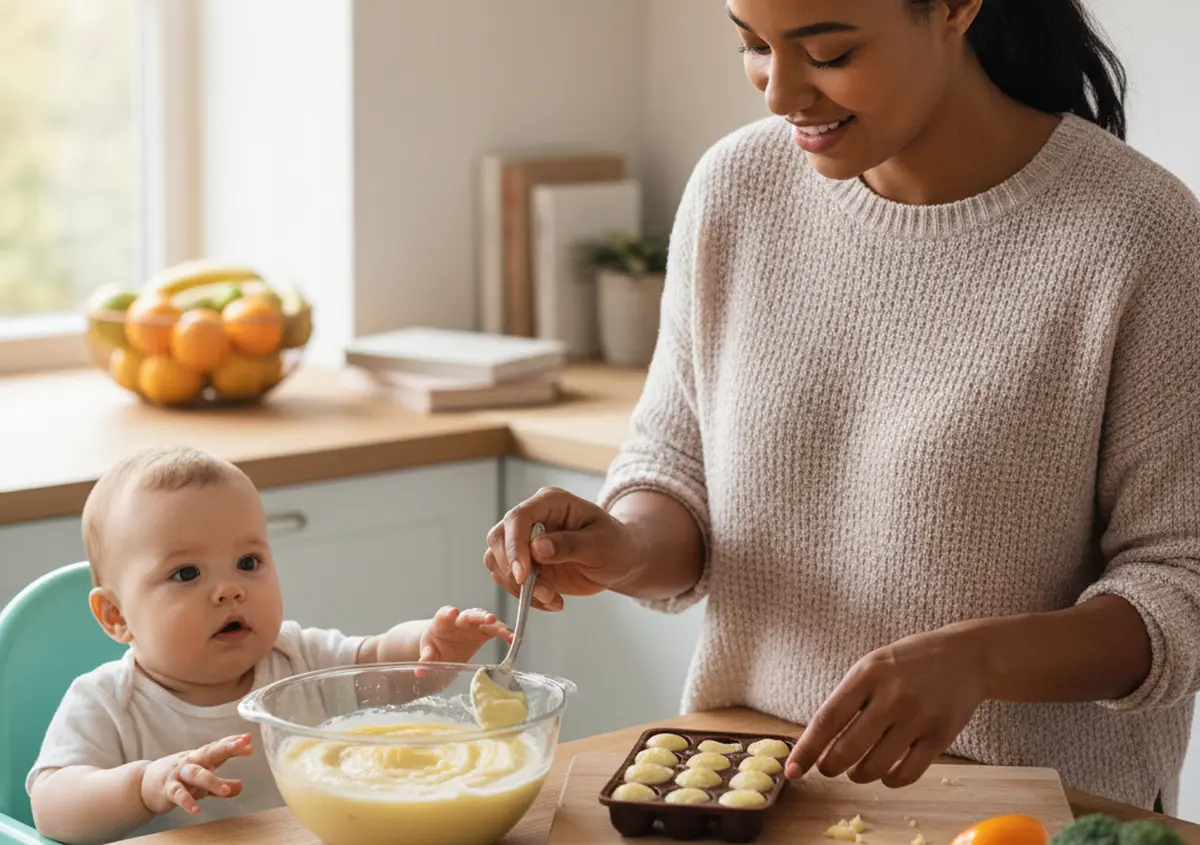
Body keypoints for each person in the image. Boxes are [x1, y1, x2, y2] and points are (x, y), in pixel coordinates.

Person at [484, 0, 1200, 815]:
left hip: (1027, 812)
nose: (780, 91)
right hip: (750, 790)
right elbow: (674, 470)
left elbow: (1182, 582)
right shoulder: (734, 191)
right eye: (753, 45)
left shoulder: (1142, 235)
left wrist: (983, 660)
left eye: (827, 52)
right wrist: (623, 543)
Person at [29, 447, 513, 844]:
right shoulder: (108, 702)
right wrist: (142, 786)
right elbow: (50, 804)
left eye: (248, 561)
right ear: (117, 617)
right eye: (186, 573)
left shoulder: (295, 658)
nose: (230, 589)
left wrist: (428, 643)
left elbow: (375, 666)